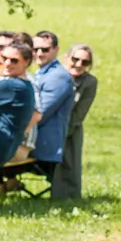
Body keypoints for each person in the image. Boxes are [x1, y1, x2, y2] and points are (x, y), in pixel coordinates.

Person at [55, 44, 98, 202]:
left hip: (70, 127)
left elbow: (79, 114)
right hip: (45, 125)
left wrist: (60, 132)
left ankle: (67, 197)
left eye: (84, 62)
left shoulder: (89, 82)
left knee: (70, 154)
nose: (78, 64)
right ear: (67, 58)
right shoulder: (56, 76)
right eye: (75, 59)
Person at [0, 41, 36, 169]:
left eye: (14, 60)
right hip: (6, 148)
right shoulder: (26, 84)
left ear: (27, 62)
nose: (7, 63)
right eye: (4, 58)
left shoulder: (11, 86)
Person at [28, 30, 73, 179]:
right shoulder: (42, 73)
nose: (39, 54)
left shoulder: (58, 77)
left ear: (56, 50)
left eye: (45, 50)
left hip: (44, 149)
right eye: (35, 49)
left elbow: (41, 113)